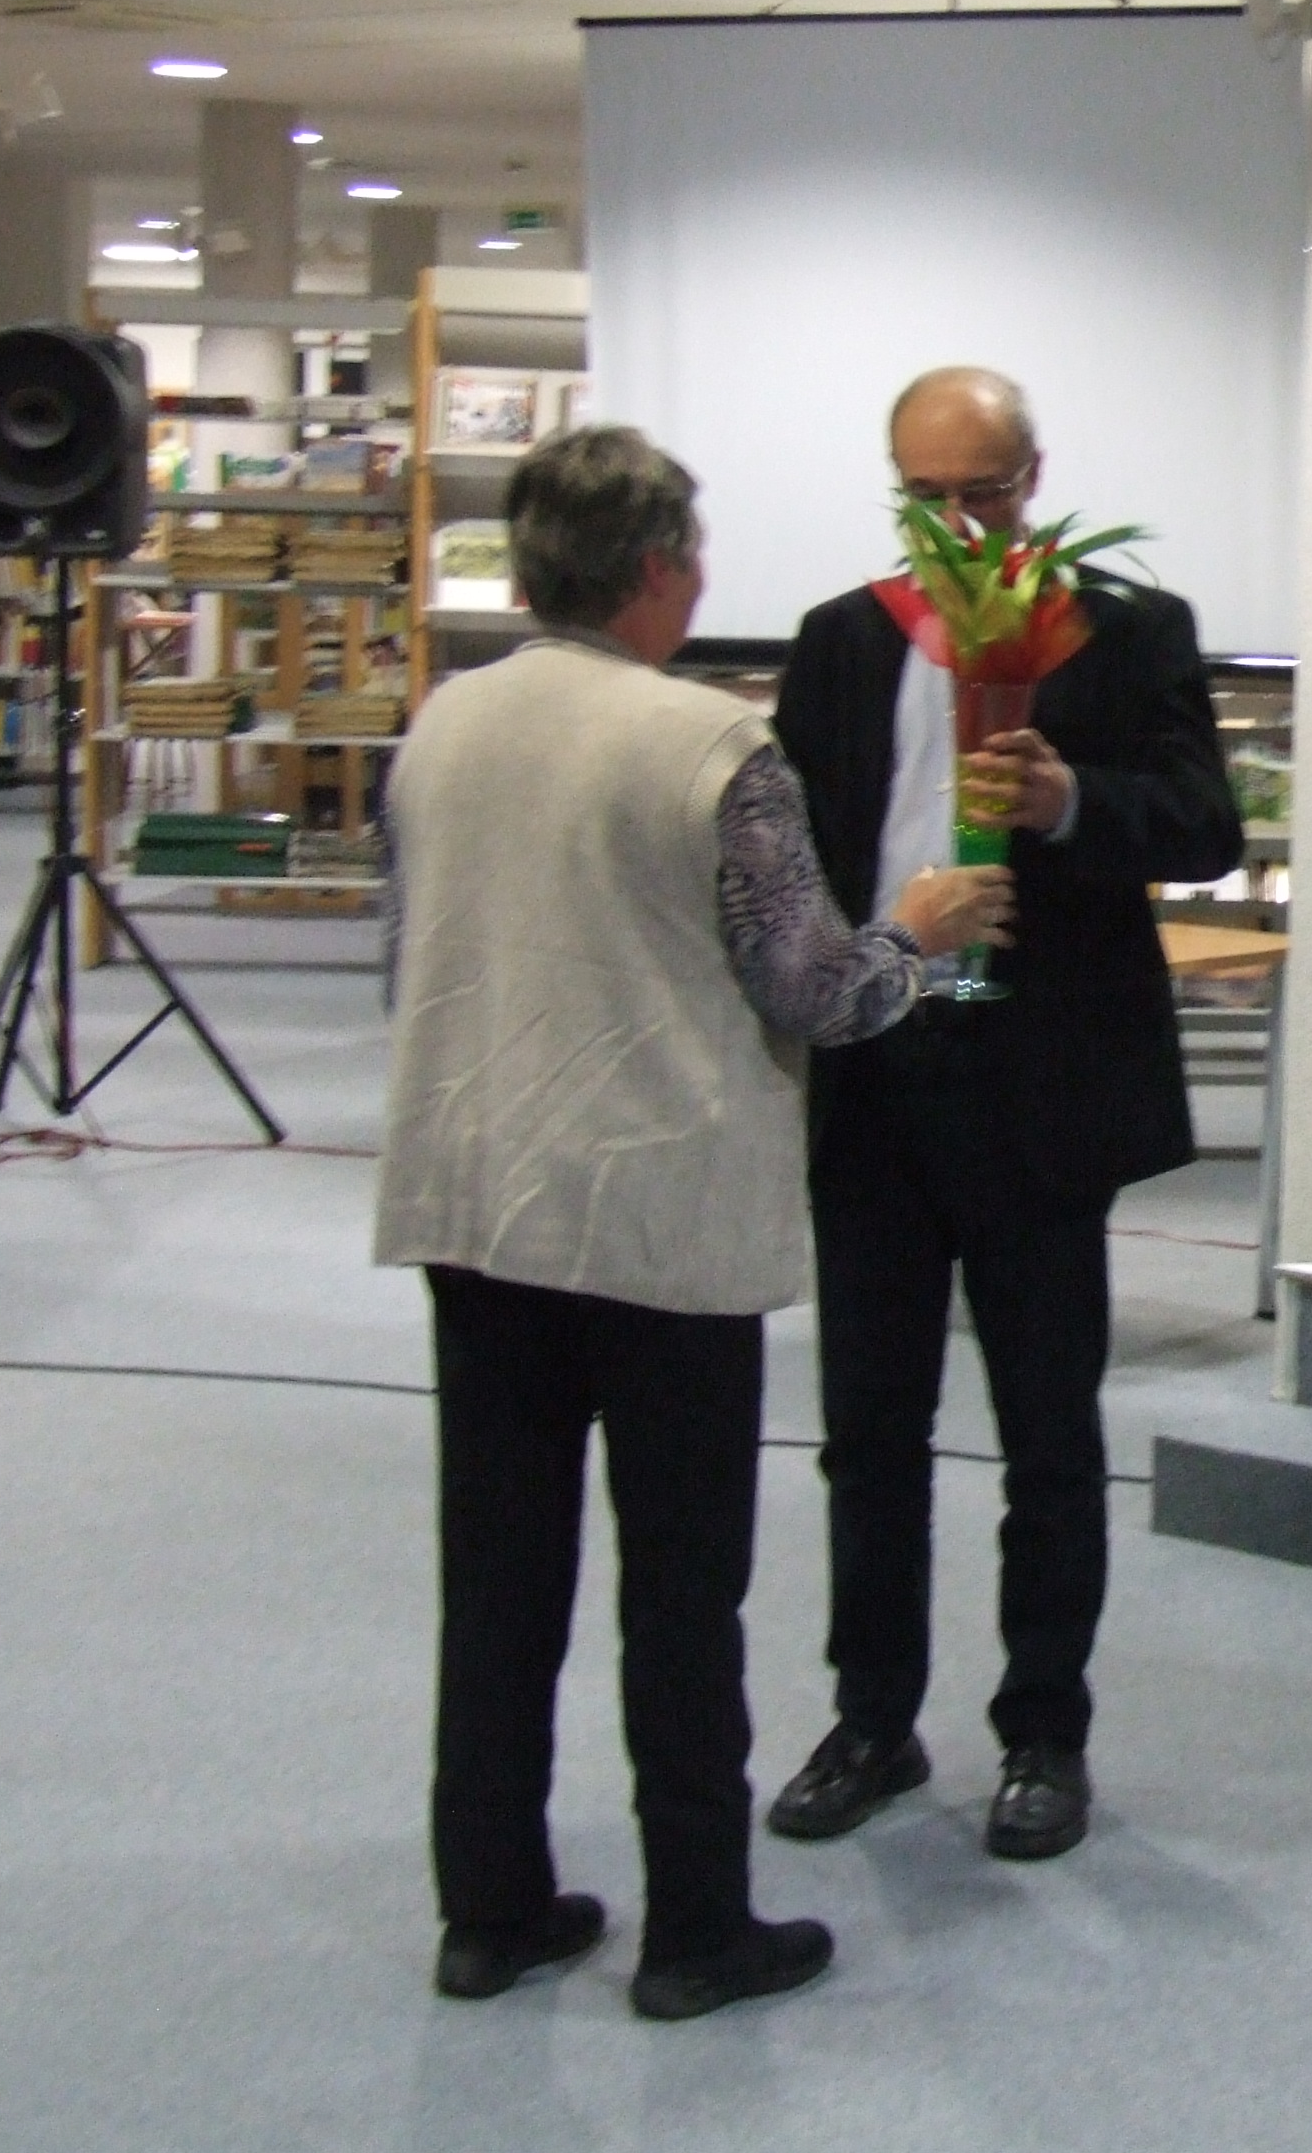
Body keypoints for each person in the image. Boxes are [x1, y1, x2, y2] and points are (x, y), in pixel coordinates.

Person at [377, 426, 1013, 2020]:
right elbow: (815, 990)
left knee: (498, 1584)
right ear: (660, 569)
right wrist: (916, 933)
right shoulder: (716, 747)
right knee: (681, 1596)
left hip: (476, 1201)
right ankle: (696, 1931)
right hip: (655, 1218)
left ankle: (489, 1911)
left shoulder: (443, 724)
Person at [766, 366, 1242, 1861]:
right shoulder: (842, 641)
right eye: (928, 499)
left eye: (984, 492)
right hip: (881, 1072)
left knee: (1048, 1434)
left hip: (1040, 1086)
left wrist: (1070, 802)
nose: (960, 525)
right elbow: (793, 859)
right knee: (870, 1432)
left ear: (1034, 478)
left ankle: (1045, 1732)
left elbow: (1208, 827)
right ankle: (872, 1719)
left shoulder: (1128, 630)